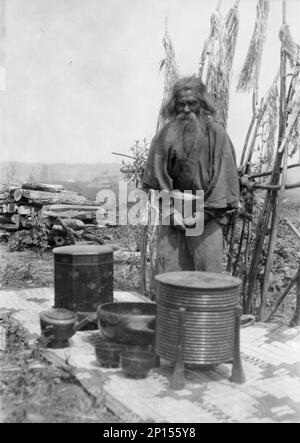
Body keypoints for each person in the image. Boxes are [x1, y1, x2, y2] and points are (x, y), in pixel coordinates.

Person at [141, 76, 239, 275]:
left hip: (207, 219)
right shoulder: (165, 135)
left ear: (202, 104)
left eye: (191, 104)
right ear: (173, 106)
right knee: (170, 280)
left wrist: (204, 214)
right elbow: (158, 177)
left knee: (207, 282)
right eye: (181, 104)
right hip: (173, 219)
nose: (186, 110)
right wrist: (169, 211)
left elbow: (224, 178)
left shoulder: (217, 135)